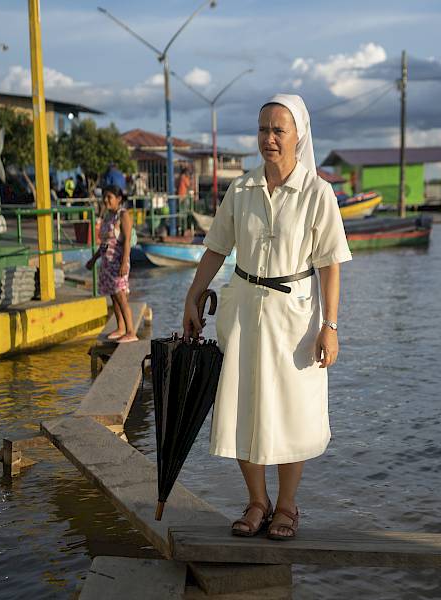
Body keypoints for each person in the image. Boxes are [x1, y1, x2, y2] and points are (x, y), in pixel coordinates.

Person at [181, 94, 351, 541]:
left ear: (299, 136)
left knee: (291, 410)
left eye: (278, 130)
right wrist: (193, 296)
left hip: (296, 318)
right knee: (243, 405)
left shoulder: (317, 193)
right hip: (243, 309)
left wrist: (330, 326)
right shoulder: (241, 189)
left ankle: (287, 506)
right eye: (263, 129)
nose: (269, 138)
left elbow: (331, 265)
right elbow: (216, 248)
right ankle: (257, 501)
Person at [86, 185, 138, 343]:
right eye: (104, 197)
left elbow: (127, 241)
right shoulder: (108, 216)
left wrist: (124, 263)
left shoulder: (123, 215)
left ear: (119, 199)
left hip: (118, 262)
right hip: (107, 263)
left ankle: (131, 331)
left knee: (120, 295)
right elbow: (105, 243)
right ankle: (120, 327)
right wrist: (94, 259)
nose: (106, 200)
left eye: (109, 197)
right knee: (113, 296)